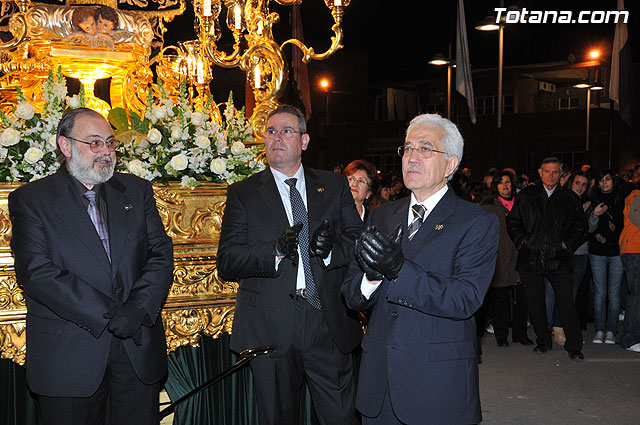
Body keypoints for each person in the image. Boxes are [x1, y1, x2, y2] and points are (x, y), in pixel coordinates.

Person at [8, 108, 174, 425]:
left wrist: (138, 308)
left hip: (136, 351)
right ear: (65, 146)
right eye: (94, 143)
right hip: (69, 359)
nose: (106, 152)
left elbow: (160, 254)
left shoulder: (137, 191)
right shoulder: (32, 200)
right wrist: (110, 315)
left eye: (110, 143)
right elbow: (37, 273)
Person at [341, 113, 499, 425]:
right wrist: (371, 279)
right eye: (408, 148)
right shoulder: (381, 217)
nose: (412, 157)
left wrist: (398, 269)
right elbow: (351, 295)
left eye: (425, 149)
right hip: (380, 383)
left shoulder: (477, 222)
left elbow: (464, 298)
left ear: (450, 165)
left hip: (437, 385)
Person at [217, 105, 363, 425]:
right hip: (269, 324)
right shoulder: (243, 193)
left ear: (304, 141)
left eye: (286, 131)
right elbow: (227, 260)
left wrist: (329, 250)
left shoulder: (334, 185)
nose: (277, 138)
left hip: (326, 319)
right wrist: (276, 251)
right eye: (270, 132)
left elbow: (356, 239)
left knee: (341, 416)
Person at [506, 157, 586, 361]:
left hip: (558, 258)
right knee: (535, 303)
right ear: (540, 173)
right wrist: (523, 241)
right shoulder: (527, 195)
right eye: (547, 172)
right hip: (530, 257)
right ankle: (543, 340)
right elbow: (513, 221)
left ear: (561, 175)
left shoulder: (569, 198)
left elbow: (580, 227)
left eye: (555, 172)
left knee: (566, 303)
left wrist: (566, 245)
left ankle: (574, 345)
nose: (551, 176)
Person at [480, 171, 532, 347]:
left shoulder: (522, 203)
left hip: (521, 256)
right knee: (500, 300)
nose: (505, 186)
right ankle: (501, 336)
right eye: (501, 182)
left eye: (508, 182)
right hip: (499, 257)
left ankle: (521, 334)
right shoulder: (489, 205)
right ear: (495, 186)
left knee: (522, 299)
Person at [588, 169, 625, 344]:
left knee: (614, 293)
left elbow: (624, 226)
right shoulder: (592, 199)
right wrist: (595, 216)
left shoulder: (622, 199)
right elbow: (588, 229)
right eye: (601, 180)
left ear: (613, 181)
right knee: (599, 293)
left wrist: (613, 232)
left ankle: (611, 329)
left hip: (617, 251)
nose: (604, 183)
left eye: (608, 179)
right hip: (597, 251)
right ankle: (600, 329)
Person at [619, 187, 640, 352]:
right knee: (637, 294)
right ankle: (630, 338)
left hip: (635, 250)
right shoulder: (636, 196)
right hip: (633, 250)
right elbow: (636, 217)